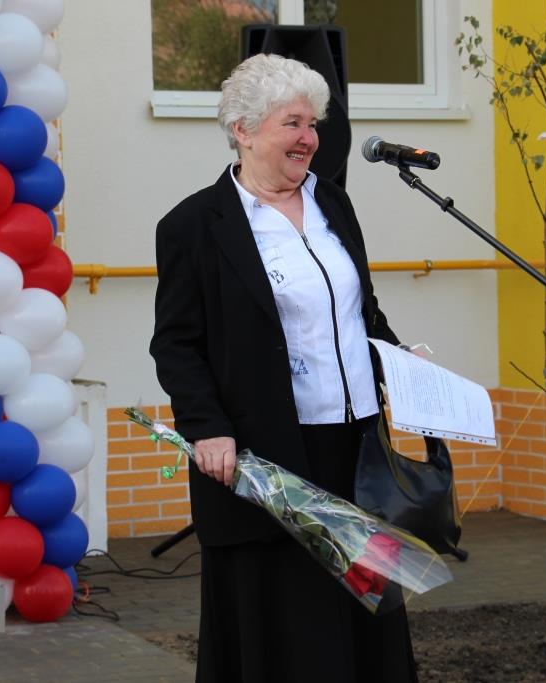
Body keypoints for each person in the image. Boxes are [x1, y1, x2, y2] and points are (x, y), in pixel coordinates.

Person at [150, 53, 417, 683]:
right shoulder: (194, 225)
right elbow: (177, 343)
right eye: (292, 123)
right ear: (242, 130)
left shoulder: (334, 205)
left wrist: (402, 365)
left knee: (368, 615)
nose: (308, 138)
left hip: (357, 446)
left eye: (313, 124)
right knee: (289, 623)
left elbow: (361, 312)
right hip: (269, 454)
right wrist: (206, 427)